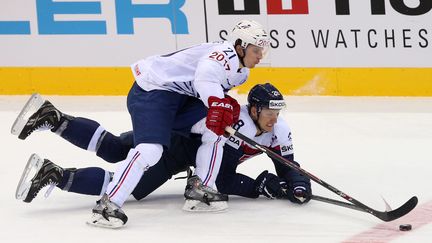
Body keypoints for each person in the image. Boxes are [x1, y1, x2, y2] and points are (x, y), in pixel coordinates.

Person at [12, 19, 271, 226]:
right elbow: (205, 77)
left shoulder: (241, 72)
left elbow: (206, 91)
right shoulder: (222, 57)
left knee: (212, 132)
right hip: (155, 92)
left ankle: (202, 189)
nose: (261, 55)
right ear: (239, 45)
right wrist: (217, 101)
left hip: (179, 100)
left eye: (262, 50)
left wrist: (218, 105)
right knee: (148, 151)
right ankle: (107, 205)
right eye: (256, 49)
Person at [13, 83, 312, 228]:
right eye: (269, 112)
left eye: (277, 112)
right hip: (177, 150)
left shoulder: (278, 130)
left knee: (117, 148)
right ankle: (53, 174)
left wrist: (297, 184)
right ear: (255, 109)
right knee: (126, 183)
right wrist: (258, 187)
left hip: (174, 136)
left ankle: (53, 118)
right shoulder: (238, 124)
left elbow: (287, 165)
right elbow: (220, 178)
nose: (274, 118)